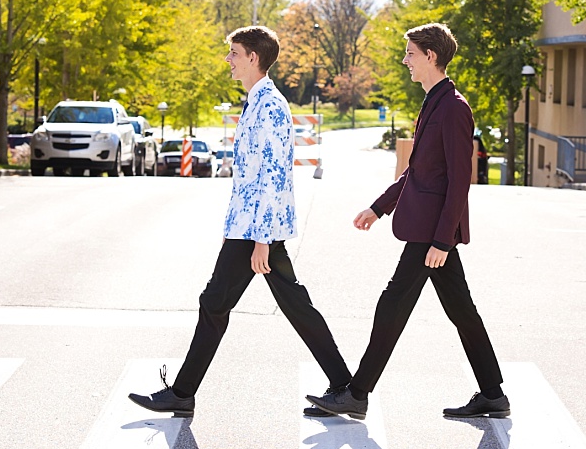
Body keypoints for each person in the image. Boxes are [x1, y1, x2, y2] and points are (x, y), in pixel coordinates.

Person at [129, 26, 352, 418]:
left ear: (254, 57)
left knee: (216, 303)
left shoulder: (270, 105)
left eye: (234, 53)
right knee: (291, 305)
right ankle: (346, 387)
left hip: (254, 230)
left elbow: (274, 173)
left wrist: (263, 238)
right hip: (250, 225)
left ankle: (182, 393)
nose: (228, 59)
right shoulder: (255, 102)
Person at [305, 22, 509, 421]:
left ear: (431, 56)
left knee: (392, 305)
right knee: (461, 311)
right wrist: (378, 208)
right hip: (427, 230)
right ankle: (492, 394)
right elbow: (418, 171)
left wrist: (443, 241)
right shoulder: (434, 101)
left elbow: (457, 181)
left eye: (411, 53)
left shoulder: (453, 107)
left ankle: (358, 393)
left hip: (431, 234)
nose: (405, 60)